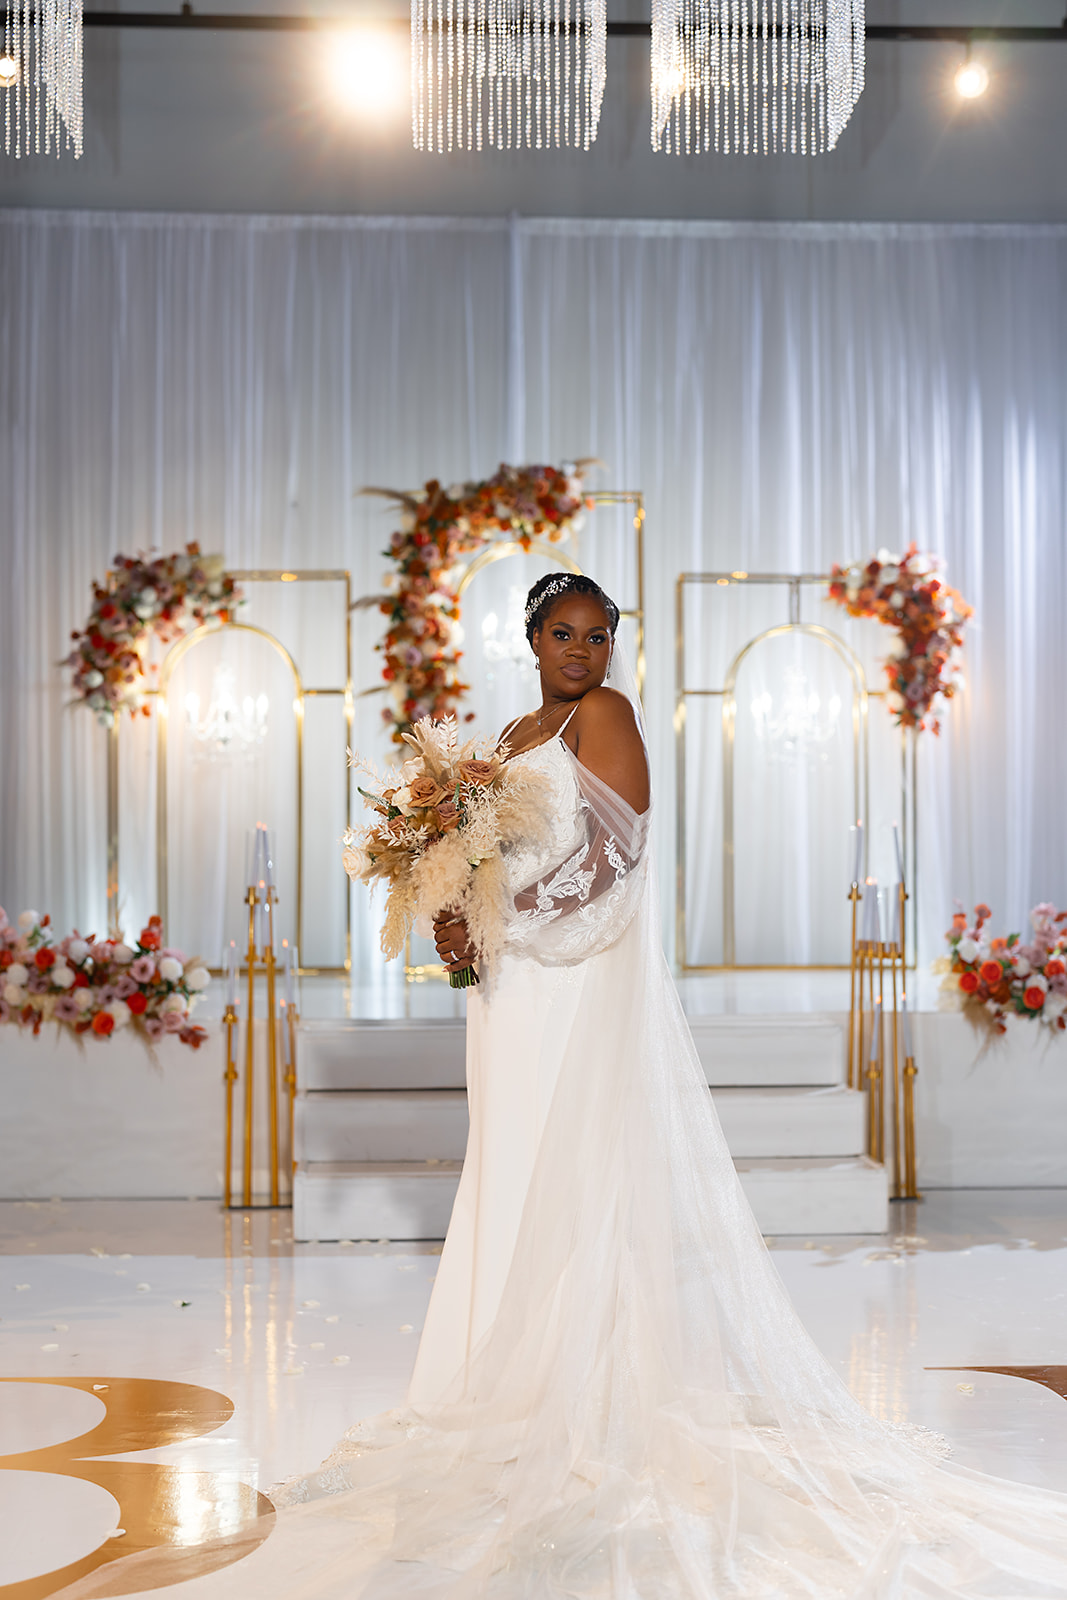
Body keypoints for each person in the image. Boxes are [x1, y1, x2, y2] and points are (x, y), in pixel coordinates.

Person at [64, 572, 1067, 1598]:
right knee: (508, 1167)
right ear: (529, 638)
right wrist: (449, 906)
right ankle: (508, 1383)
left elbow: (616, 856)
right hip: (508, 995)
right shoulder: (505, 731)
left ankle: (578, 1393)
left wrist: (504, 915)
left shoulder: (607, 714)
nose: (580, 652)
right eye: (561, 634)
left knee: (571, 1176)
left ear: (612, 644)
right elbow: (471, 853)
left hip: (574, 979)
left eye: (597, 634)